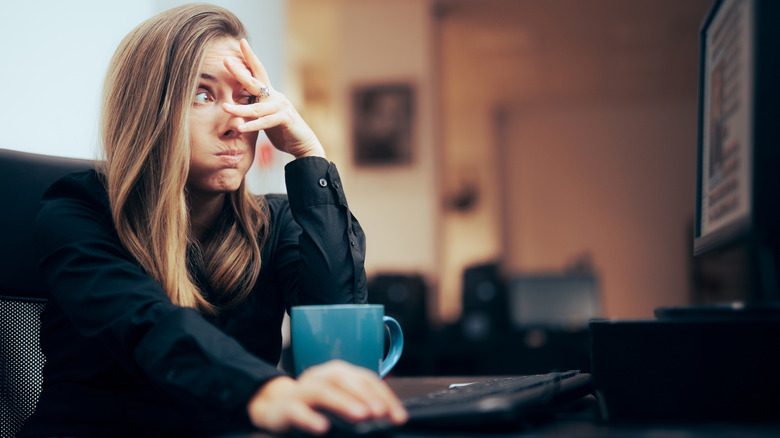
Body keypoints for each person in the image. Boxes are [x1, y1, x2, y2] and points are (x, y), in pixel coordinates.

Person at [19, 4, 407, 437]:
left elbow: (339, 327)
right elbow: (149, 326)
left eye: (247, 99)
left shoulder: (275, 222)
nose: (236, 124)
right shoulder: (77, 210)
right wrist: (265, 391)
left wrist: (309, 155)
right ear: (149, 109)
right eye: (203, 95)